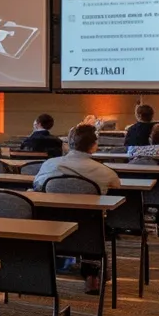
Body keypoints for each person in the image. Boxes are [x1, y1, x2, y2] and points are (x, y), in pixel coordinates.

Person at [33, 124, 121, 293]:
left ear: (69, 143)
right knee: (93, 218)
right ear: (94, 145)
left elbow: (36, 185)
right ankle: (91, 276)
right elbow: (116, 187)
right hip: (88, 234)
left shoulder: (49, 165)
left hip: (50, 228)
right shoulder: (106, 172)